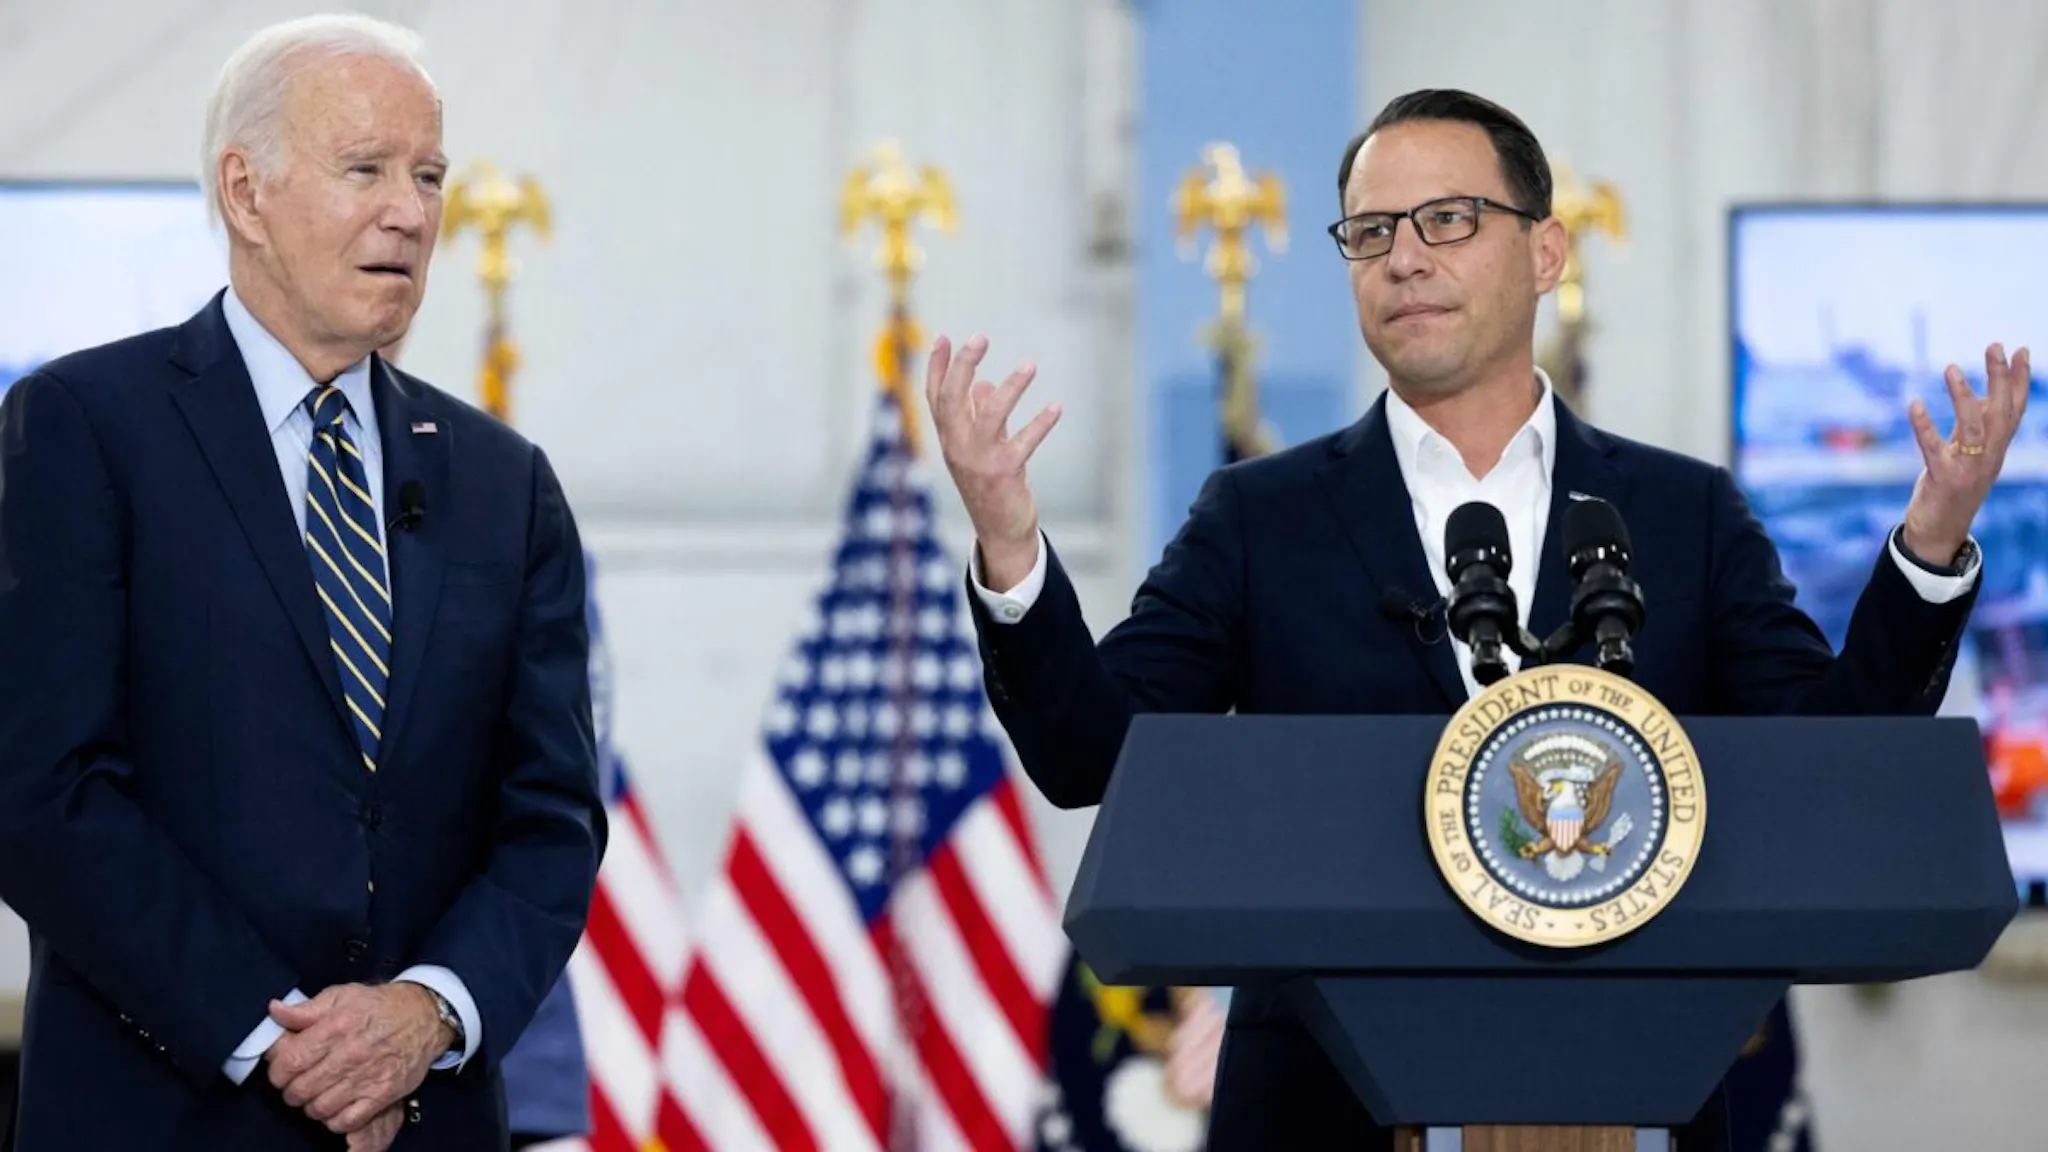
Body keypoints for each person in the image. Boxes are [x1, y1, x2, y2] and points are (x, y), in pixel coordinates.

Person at [924, 89, 2028, 1151]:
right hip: (1320, 1109)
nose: (1402, 257)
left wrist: (1926, 547)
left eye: (1446, 220)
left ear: (1544, 253)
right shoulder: (1259, 516)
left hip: (1630, 1085)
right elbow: (1092, 753)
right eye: (1367, 232)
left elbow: (1824, 761)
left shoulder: (1677, 512)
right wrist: (1012, 550)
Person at [0, 14, 605, 1150]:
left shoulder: (501, 483)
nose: (411, 213)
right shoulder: (84, 427)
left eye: (428, 175)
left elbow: (552, 818)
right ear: (246, 192)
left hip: (423, 1117)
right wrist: (287, 1044)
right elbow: (42, 788)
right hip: (164, 1115)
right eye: (365, 168)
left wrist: (426, 1014)